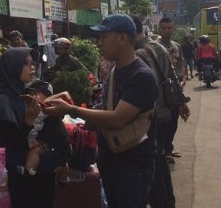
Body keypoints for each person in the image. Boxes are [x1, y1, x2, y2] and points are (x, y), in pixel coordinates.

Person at [44, 14, 158, 207]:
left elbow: (117, 118)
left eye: (104, 37)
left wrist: (72, 110)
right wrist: (75, 121)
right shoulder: (115, 71)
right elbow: (105, 108)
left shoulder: (142, 76)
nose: (99, 43)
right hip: (110, 160)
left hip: (132, 167)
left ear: (122, 39)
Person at [131, 15, 189, 208]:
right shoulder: (159, 47)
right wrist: (180, 102)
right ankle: (168, 202)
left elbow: (153, 89)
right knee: (160, 161)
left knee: (153, 168)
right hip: (164, 113)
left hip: (153, 117)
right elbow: (172, 77)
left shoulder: (139, 54)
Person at [0, 47, 58, 208]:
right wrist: (28, 121)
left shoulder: (22, 93)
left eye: (32, 63)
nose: (32, 67)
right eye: (26, 64)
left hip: (33, 170)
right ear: (13, 67)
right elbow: (9, 142)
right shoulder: (4, 100)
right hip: (16, 172)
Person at [22, 80, 70, 177]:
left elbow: (64, 141)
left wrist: (62, 160)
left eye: (35, 94)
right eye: (30, 94)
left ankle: (28, 170)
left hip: (54, 148)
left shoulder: (49, 115)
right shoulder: (35, 112)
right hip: (46, 144)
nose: (32, 97)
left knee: (34, 151)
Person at [158, 17, 185, 162]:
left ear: (173, 28)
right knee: (164, 120)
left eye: (169, 27)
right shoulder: (155, 46)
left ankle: (169, 147)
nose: (166, 30)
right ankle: (163, 150)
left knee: (174, 119)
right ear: (159, 29)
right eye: (163, 28)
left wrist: (183, 79)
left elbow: (181, 64)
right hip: (161, 90)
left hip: (175, 89)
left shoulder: (177, 46)